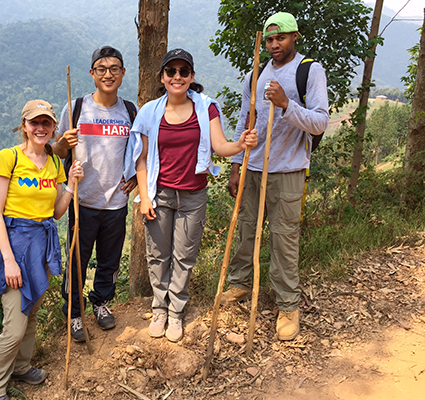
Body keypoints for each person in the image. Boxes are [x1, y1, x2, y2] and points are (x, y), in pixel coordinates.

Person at [129, 48, 258, 342]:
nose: (177, 77)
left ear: (192, 76)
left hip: (193, 195)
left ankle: (176, 312)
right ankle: (159, 308)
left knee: (184, 256)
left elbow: (220, 147)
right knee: (157, 255)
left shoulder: (206, 108)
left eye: (183, 72)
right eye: (171, 71)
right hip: (159, 193)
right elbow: (142, 158)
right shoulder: (150, 111)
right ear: (162, 77)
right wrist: (145, 198)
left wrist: (241, 144)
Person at [222, 12, 329, 341]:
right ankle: (240, 283)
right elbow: (245, 120)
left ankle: (288, 304)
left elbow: (321, 122)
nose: (273, 44)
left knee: (284, 238)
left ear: (295, 36)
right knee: (247, 228)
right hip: (254, 167)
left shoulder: (308, 71)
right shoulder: (255, 73)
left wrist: (286, 104)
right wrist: (236, 165)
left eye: (280, 37)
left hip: (289, 169)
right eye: (269, 39)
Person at [0, 100, 83, 400]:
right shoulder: (9, 158)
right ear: (24, 126)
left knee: (32, 312)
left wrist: (71, 186)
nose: (40, 128)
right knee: (14, 325)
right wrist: (9, 261)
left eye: (46, 123)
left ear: (54, 127)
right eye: (34, 123)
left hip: (42, 245)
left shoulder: (54, 162)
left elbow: (56, 212)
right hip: (15, 244)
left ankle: (22, 366)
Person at [52, 45, 137, 341]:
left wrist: (136, 179)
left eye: (114, 69)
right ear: (92, 74)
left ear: (123, 73)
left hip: (116, 202)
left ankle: (101, 302)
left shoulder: (129, 111)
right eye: (101, 69)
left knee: (109, 260)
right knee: (77, 258)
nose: (108, 74)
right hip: (81, 200)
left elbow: (136, 153)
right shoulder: (75, 108)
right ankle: (75, 312)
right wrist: (64, 141)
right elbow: (55, 152)